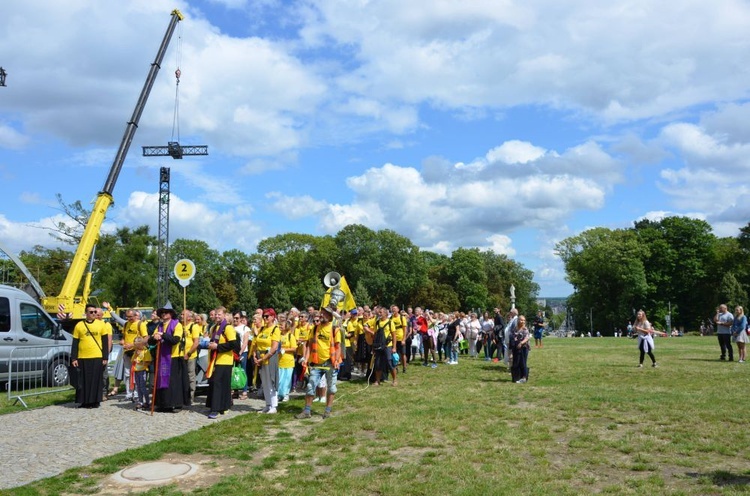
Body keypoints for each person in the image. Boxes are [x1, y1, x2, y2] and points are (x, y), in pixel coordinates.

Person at [295, 305, 342, 419]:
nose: (322, 315)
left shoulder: (334, 329)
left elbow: (338, 347)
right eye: (322, 313)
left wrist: (336, 360)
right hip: (316, 363)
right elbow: (310, 345)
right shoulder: (315, 328)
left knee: (331, 388)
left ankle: (327, 411)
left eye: (325, 313)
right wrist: (306, 359)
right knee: (310, 386)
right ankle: (307, 411)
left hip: (330, 363)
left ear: (330, 316)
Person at [149, 305, 190, 412]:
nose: (164, 314)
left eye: (166, 312)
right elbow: (151, 340)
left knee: (173, 383)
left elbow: (175, 340)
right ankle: (163, 404)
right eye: (162, 312)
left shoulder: (177, 325)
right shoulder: (159, 326)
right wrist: (155, 337)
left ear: (171, 314)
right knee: (161, 380)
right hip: (162, 357)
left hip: (174, 357)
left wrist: (162, 335)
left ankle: (176, 404)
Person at [71, 304, 109, 408]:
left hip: (97, 355)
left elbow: (105, 341)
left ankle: (95, 401)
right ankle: (84, 401)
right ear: (86, 313)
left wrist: (105, 357)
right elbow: (75, 342)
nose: (93, 314)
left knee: (96, 380)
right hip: (83, 356)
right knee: (83, 381)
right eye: (91, 312)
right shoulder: (79, 325)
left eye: (95, 312)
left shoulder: (101, 325)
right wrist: (74, 357)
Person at [205, 307, 239, 418]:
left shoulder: (228, 328)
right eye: (216, 314)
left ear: (224, 315)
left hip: (225, 360)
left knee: (219, 384)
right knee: (217, 384)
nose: (217, 316)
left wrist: (218, 346)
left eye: (219, 314)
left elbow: (233, 344)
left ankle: (216, 409)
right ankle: (223, 406)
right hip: (215, 359)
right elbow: (213, 340)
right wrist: (210, 345)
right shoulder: (214, 328)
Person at [253, 308, 280, 414]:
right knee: (264, 381)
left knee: (271, 381)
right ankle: (268, 404)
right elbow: (256, 343)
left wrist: (264, 358)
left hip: (269, 358)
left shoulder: (275, 329)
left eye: (267, 316)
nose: (265, 318)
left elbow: (274, 347)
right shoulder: (262, 329)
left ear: (273, 317)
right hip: (260, 358)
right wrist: (255, 356)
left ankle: (274, 405)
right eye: (264, 316)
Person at [372, 306, 398, 385]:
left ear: (386, 313)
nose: (379, 314)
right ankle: (378, 381)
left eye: (381, 312)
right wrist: (373, 347)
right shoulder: (377, 322)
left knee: (389, 363)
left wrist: (394, 347)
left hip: (387, 346)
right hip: (379, 346)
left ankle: (394, 380)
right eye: (379, 312)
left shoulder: (390, 322)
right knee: (378, 363)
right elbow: (375, 334)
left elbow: (394, 336)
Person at [277, 317, 298, 402]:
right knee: (279, 379)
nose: (280, 326)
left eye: (281, 325)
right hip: (279, 361)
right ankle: (279, 394)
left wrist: (284, 350)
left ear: (286, 326)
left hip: (288, 362)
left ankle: (286, 394)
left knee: (287, 379)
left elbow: (294, 348)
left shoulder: (290, 336)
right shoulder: (278, 336)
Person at [233, 311, 250, 399]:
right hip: (233, 352)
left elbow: (245, 342)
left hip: (242, 352)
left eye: (237, 318)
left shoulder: (245, 328)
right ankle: (235, 390)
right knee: (234, 371)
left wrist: (240, 352)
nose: (235, 319)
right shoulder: (231, 328)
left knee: (242, 371)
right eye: (234, 318)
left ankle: (244, 391)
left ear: (241, 319)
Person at [132, 336, 152, 410]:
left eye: (138, 346)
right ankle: (140, 401)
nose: (137, 348)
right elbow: (132, 360)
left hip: (142, 370)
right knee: (138, 387)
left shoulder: (145, 352)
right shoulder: (136, 352)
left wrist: (140, 362)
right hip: (136, 371)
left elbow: (148, 362)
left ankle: (147, 401)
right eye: (136, 346)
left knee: (143, 387)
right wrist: (136, 355)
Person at [510, 315, 530, 383]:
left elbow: (527, 338)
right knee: (517, 363)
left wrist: (521, 343)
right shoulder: (515, 329)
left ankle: (524, 377)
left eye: (524, 320)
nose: (522, 321)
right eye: (521, 320)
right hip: (516, 348)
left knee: (523, 362)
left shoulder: (525, 329)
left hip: (524, 348)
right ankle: (517, 377)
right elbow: (512, 337)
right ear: (518, 320)